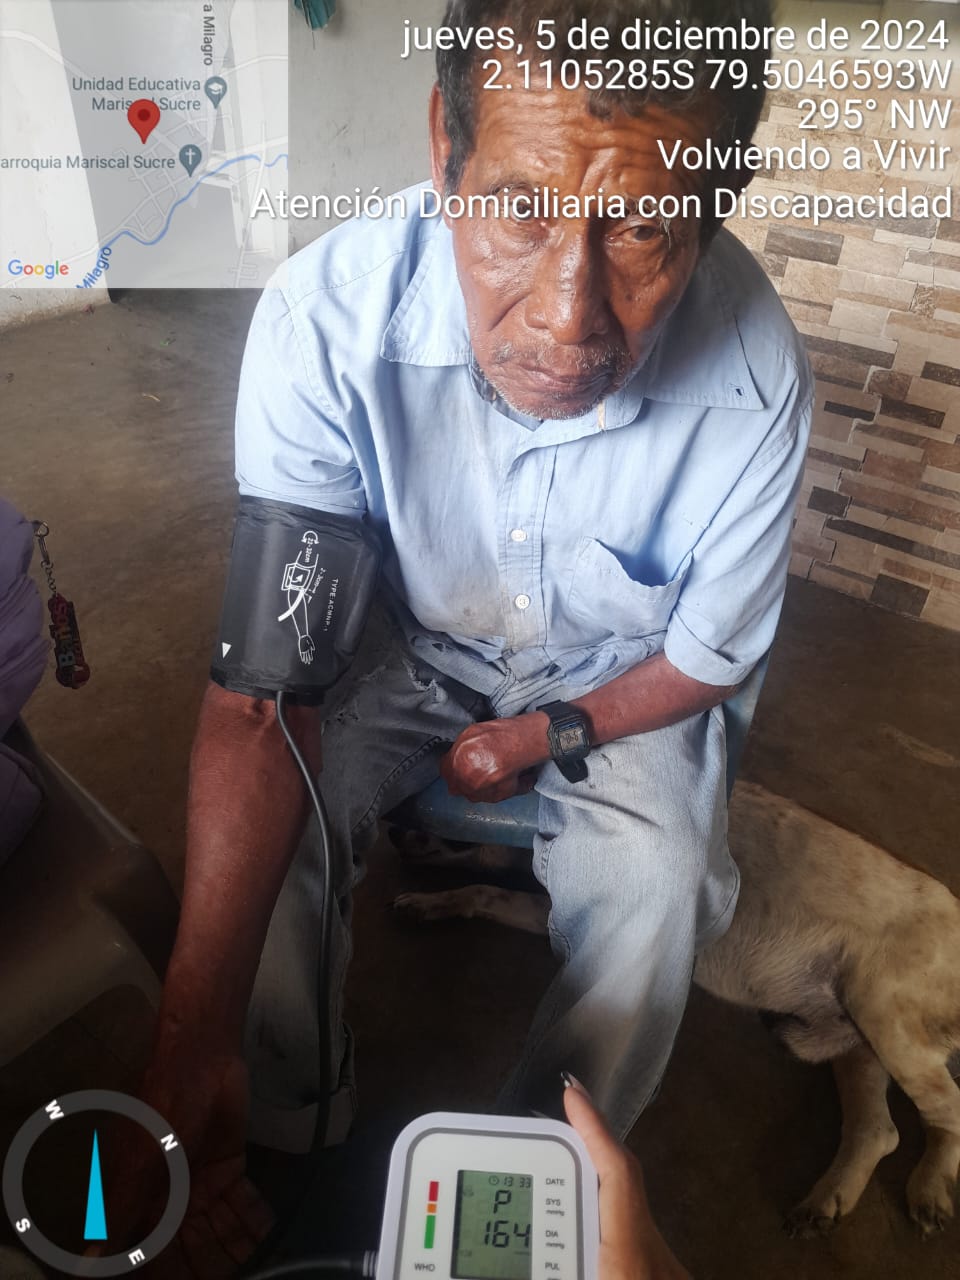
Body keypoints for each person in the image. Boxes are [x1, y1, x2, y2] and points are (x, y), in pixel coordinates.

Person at [138, 0, 812, 1267]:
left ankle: (531, 1197)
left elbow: (708, 658)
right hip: (402, 639)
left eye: (642, 228)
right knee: (278, 819)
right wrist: (190, 1036)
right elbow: (266, 692)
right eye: (518, 208)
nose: (566, 318)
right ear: (444, 148)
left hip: (620, 676)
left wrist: (547, 732)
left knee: (658, 877)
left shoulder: (755, 370)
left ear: (716, 207)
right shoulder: (324, 320)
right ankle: (278, 1112)